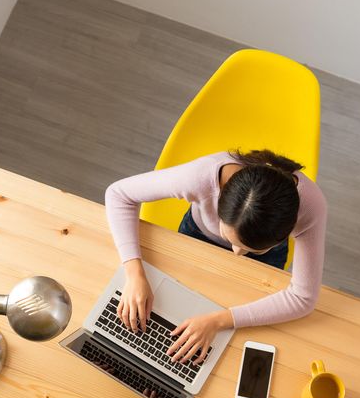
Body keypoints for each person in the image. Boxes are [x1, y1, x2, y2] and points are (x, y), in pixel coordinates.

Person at [104, 149, 327, 365]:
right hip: (199, 236)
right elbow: (118, 194)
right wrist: (134, 274)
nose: (236, 253)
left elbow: (303, 298)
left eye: (252, 249)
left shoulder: (311, 207)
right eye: (229, 237)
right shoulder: (201, 177)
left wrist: (219, 320)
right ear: (219, 203)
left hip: (266, 263)